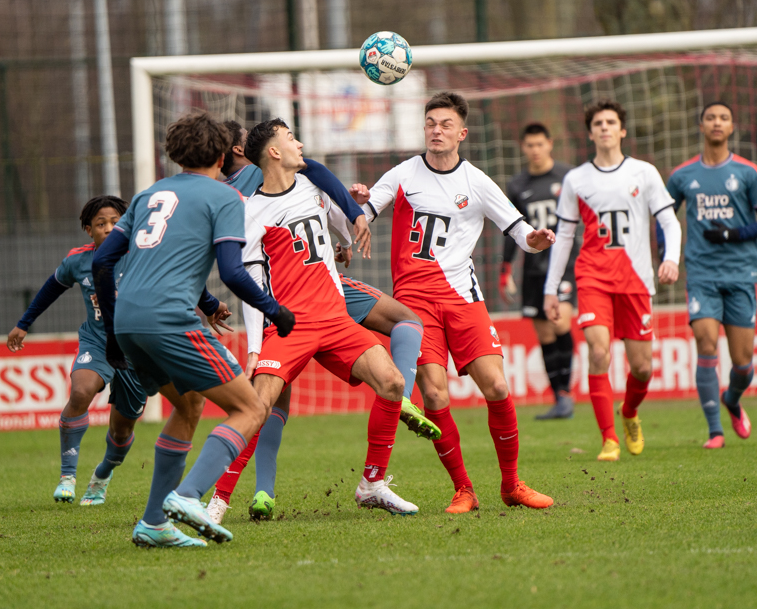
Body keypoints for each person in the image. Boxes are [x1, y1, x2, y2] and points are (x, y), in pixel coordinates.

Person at [207, 122, 439, 522]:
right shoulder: (250, 212)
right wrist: (255, 347)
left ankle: (371, 484)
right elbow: (252, 283)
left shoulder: (312, 184)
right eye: (291, 138)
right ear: (275, 153)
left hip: (334, 316)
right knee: (256, 407)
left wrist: (352, 224)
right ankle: (218, 501)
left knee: (393, 382)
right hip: (290, 324)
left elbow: (344, 228)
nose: (299, 143)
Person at [92, 110, 295, 548]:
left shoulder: (148, 195)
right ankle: (186, 496)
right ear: (223, 155)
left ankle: (153, 524)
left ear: (174, 153)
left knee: (188, 407)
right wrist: (274, 310)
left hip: (128, 321)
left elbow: (102, 261)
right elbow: (235, 273)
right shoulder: (224, 198)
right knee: (250, 409)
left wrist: (112, 332)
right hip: (169, 321)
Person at [351, 92, 557, 513]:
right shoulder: (403, 174)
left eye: (445, 124)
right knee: (435, 395)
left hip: (464, 298)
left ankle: (512, 485)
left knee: (497, 386)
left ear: (461, 133)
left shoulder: (477, 181)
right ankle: (464, 489)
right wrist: (352, 207)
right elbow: (365, 211)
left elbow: (519, 230)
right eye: (430, 123)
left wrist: (534, 241)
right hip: (413, 304)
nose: (436, 130)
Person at [7, 196, 204, 507]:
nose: (109, 228)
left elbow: (180, 278)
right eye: (101, 224)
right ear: (89, 230)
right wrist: (24, 323)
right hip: (98, 342)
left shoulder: (143, 254)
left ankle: (102, 475)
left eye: (115, 222)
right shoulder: (78, 260)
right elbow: (50, 288)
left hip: (137, 349)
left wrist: (207, 306)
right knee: (82, 391)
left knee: (122, 430)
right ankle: (67, 476)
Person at [543, 99, 682, 462]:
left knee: (642, 367)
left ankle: (630, 413)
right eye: (598, 124)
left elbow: (669, 221)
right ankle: (609, 440)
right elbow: (565, 238)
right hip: (593, 279)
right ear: (590, 133)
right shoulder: (576, 179)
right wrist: (551, 289)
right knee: (599, 352)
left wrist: (671, 259)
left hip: (635, 280)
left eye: (611, 122)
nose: (604, 128)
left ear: (622, 130)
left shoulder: (644, 173)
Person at [665, 102, 757, 448]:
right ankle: (715, 431)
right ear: (701, 125)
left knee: (743, 364)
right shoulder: (682, 175)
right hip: (701, 274)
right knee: (707, 344)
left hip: (741, 274)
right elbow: (665, 218)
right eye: (711, 117)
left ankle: (732, 399)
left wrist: (732, 234)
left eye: (724, 118)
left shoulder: (747, 172)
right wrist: (665, 254)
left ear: (731, 127)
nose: (717, 123)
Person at [501, 123, 577, 420]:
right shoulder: (518, 185)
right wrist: (506, 268)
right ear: (523, 147)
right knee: (544, 333)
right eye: (529, 145)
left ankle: (566, 394)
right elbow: (511, 227)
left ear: (550, 144)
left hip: (565, 264)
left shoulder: (567, 176)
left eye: (539, 144)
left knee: (560, 324)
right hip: (533, 268)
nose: (535, 150)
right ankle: (560, 396)